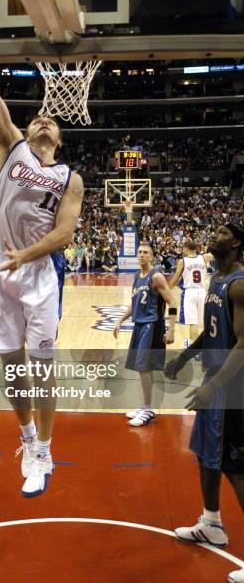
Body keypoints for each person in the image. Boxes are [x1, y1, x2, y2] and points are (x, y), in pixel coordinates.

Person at [0, 0, 83, 497]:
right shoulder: (9, 144)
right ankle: (25, 436)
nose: (42, 118)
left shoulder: (69, 176)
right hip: (1, 269)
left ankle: (43, 450)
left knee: (42, 367)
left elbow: (65, 234)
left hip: (39, 274)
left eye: (49, 120)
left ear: (59, 135)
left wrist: (28, 254)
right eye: (37, 115)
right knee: (10, 364)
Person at [165, 223, 244, 583]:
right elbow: (212, 333)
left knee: (234, 467)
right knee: (204, 453)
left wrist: (215, 389)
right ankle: (211, 523)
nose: (215, 235)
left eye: (224, 234)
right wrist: (185, 357)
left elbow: (242, 346)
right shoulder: (216, 278)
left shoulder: (240, 285)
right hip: (213, 381)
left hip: (231, 388)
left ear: (238, 244)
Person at [113, 243, 177, 426]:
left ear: (152, 256)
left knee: (143, 367)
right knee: (141, 367)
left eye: (146, 252)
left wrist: (171, 329)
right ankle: (144, 405)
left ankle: (148, 410)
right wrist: (120, 320)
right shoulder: (137, 276)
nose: (142, 255)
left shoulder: (156, 277)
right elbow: (134, 304)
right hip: (139, 325)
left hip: (152, 325)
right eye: (140, 252)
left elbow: (172, 302)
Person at [169, 239, 212, 347]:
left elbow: (174, 280)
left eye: (183, 248)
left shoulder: (182, 261)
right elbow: (215, 254)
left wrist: (166, 289)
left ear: (186, 248)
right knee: (204, 323)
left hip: (190, 293)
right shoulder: (204, 257)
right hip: (202, 292)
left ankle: (194, 350)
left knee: (193, 323)